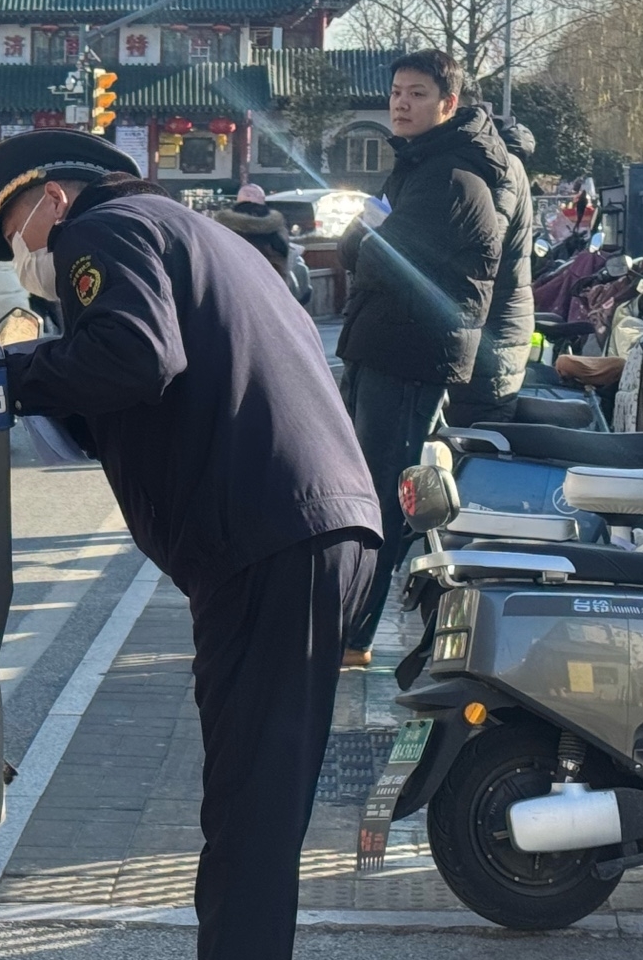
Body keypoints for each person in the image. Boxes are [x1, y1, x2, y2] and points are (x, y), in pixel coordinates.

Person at [0, 130, 380, 960]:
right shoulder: (178, 228)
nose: (21, 253)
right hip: (294, 530)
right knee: (247, 797)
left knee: (251, 807)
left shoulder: (102, 230)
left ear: (50, 196)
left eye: (15, 227)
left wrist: (0, 373)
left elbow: (134, 358)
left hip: (272, 538)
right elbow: (143, 383)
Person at [335, 50, 507, 666]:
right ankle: (347, 621)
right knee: (365, 486)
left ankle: (353, 636)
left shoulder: (451, 177)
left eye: (417, 94)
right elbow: (360, 249)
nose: (401, 104)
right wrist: (365, 243)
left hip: (410, 355)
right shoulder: (417, 166)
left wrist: (364, 242)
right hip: (383, 345)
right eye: (396, 93)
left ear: (448, 104)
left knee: (382, 494)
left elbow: (381, 258)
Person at [444, 118, 538, 427]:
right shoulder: (512, 167)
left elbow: (486, 242)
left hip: (492, 328)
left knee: (476, 431)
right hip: (505, 322)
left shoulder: (503, 167)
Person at [211, 183, 301, 293]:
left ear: (238, 199)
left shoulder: (219, 228)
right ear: (262, 199)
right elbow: (284, 256)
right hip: (271, 293)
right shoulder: (277, 228)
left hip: (230, 291)